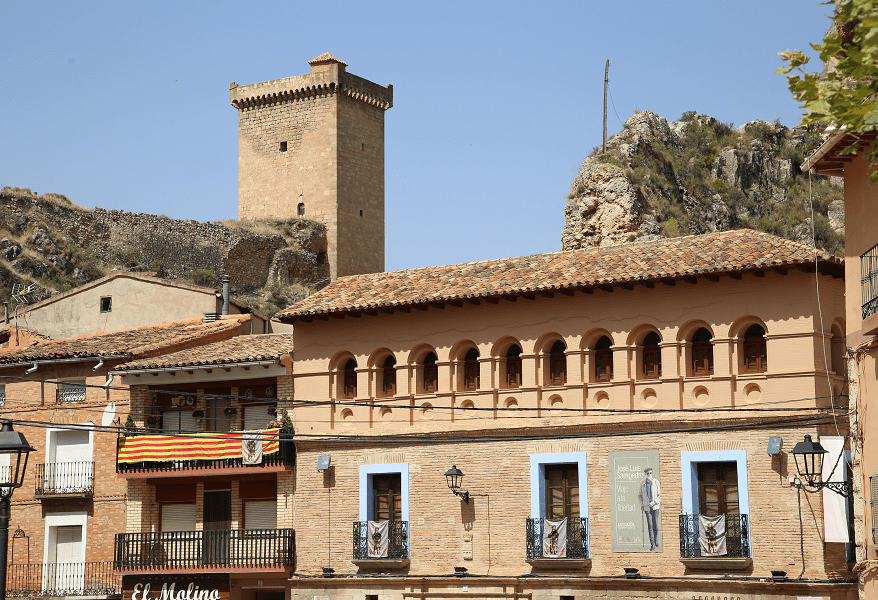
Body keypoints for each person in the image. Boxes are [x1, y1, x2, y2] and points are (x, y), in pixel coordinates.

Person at [638, 467, 661, 551]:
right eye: (648, 473)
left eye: (650, 473)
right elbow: (639, 496)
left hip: (655, 507)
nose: (649, 475)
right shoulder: (643, 484)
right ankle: (652, 544)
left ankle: (656, 540)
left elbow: (659, 495)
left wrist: (654, 502)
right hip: (647, 508)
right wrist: (642, 505)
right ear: (645, 474)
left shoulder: (656, 482)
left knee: (655, 525)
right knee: (650, 526)